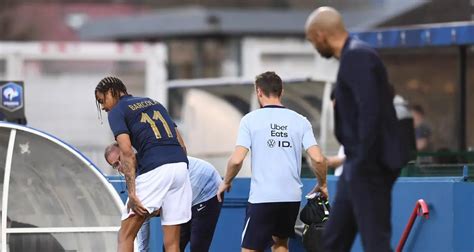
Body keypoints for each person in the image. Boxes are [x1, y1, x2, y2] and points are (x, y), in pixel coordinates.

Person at [305, 7, 408, 252]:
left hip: (368, 167)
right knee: (333, 240)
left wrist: (360, 161)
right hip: (357, 166)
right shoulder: (354, 56)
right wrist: (348, 161)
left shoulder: (357, 56)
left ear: (321, 35)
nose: (314, 47)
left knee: (375, 242)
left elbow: (369, 113)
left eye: (312, 41)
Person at [217, 71, 328, 252]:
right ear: (281, 91)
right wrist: (322, 184)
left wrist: (226, 181)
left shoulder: (250, 120)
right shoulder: (300, 121)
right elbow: (317, 158)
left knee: (249, 249)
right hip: (291, 197)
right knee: (281, 244)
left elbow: (237, 160)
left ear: (258, 91)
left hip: (263, 196)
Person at [94, 76, 192, 252]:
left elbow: (127, 152)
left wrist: (132, 193)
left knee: (125, 235)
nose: (103, 106)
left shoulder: (117, 111)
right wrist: (178, 174)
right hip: (180, 167)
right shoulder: (153, 102)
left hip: (156, 168)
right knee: (172, 243)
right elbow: (181, 144)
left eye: (102, 100)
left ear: (111, 92)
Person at [104, 143, 223, 252]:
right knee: (170, 247)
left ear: (128, 153)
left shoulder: (149, 166)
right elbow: (140, 217)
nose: (121, 165)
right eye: (115, 165)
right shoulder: (134, 180)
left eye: (120, 159)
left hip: (207, 188)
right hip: (185, 197)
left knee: (198, 247)